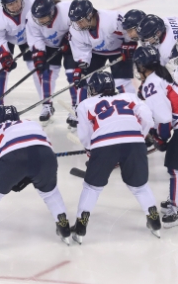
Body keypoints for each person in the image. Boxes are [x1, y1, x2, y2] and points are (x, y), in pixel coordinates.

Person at [73, 71, 161, 243]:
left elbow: (85, 135)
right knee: (140, 186)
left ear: (93, 88)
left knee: (92, 187)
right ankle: (154, 220)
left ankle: (80, 226)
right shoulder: (130, 97)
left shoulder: (85, 104)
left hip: (104, 144)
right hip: (134, 142)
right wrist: (139, 137)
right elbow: (148, 119)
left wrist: (91, 150)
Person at [0, 105, 71, 251]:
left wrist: (11, 180)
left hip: (13, 158)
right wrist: (28, 176)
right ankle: (64, 226)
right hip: (45, 156)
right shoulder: (32, 123)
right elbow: (47, 147)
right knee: (50, 192)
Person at [134, 46, 178, 228]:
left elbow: (164, 118)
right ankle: (176, 199)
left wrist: (160, 137)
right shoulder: (162, 74)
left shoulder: (152, 83)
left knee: (176, 168)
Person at [68, 0, 137, 102]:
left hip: (118, 51)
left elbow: (130, 30)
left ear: (90, 15)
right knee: (84, 80)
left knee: (121, 81)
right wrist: (81, 67)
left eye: (81, 21)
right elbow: (81, 50)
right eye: (76, 22)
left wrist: (130, 43)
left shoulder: (112, 19)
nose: (78, 25)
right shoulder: (75, 31)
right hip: (95, 52)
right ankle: (81, 109)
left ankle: (133, 107)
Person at [26, 0, 76, 126]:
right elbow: (35, 38)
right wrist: (39, 56)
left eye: (44, 17)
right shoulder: (31, 19)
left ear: (52, 12)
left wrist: (69, 38)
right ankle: (47, 105)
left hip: (70, 44)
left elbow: (78, 26)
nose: (41, 21)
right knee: (46, 74)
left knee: (73, 74)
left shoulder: (67, 10)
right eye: (39, 18)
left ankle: (77, 106)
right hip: (49, 45)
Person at [0, 0, 35, 108]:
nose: (15, 6)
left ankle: (47, 104)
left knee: (39, 65)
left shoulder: (32, 3)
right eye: (10, 4)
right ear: (4, 5)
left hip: (29, 36)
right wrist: (5, 55)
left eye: (17, 1)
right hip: (7, 39)